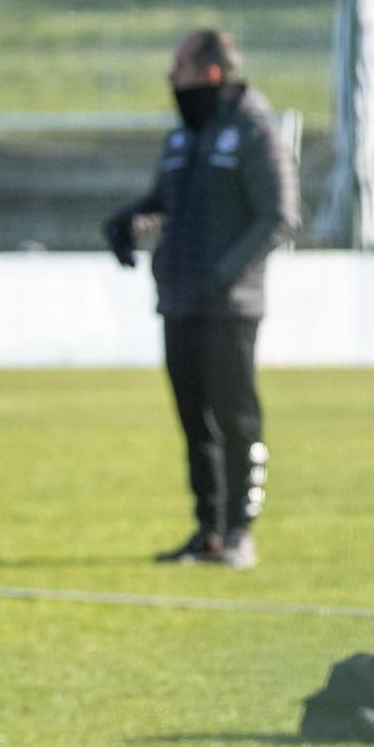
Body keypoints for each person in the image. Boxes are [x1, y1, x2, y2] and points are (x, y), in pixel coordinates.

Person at [104, 29, 298, 570]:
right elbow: (165, 203)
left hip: (230, 306)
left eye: (180, 68)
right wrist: (128, 222)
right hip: (180, 299)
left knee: (236, 418)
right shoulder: (184, 136)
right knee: (195, 422)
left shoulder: (256, 130)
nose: (172, 79)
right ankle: (208, 531)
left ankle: (240, 532)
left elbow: (279, 215)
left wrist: (225, 272)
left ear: (211, 73)